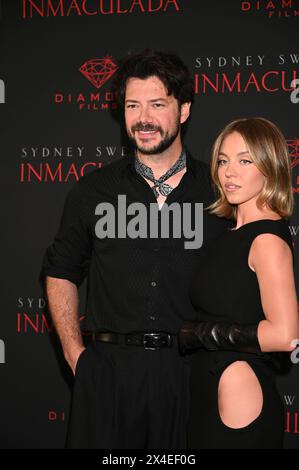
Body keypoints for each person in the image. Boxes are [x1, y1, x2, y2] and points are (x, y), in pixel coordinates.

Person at [40, 49, 228, 449]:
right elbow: (61, 272)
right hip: (108, 376)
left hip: (190, 377)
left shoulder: (217, 193)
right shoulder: (93, 191)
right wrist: (78, 357)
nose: (143, 118)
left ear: (184, 110)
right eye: (133, 105)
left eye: (157, 104)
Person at [178, 117, 299, 449]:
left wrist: (201, 333)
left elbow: (286, 335)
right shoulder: (225, 235)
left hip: (238, 388)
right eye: (222, 160)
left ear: (269, 166)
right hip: (207, 385)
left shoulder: (267, 239)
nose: (229, 172)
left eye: (245, 160)